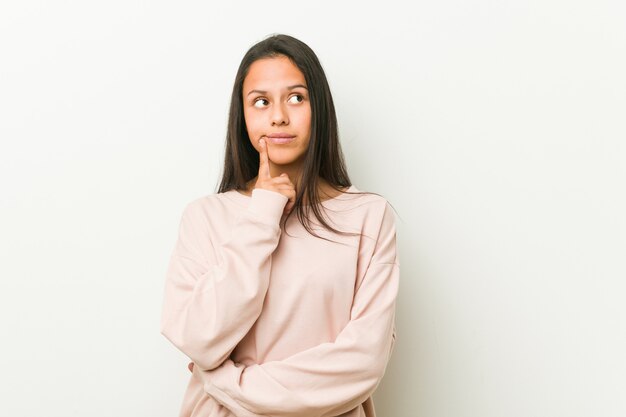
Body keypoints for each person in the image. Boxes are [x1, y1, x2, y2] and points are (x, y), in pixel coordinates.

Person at [160, 33, 400, 417]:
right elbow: (198, 337)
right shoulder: (205, 217)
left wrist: (225, 382)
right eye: (261, 101)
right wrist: (264, 212)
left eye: (296, 98)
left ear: (318, 108)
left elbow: (363, 362)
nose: (278, 116)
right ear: (243, 116)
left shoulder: (368, 217)